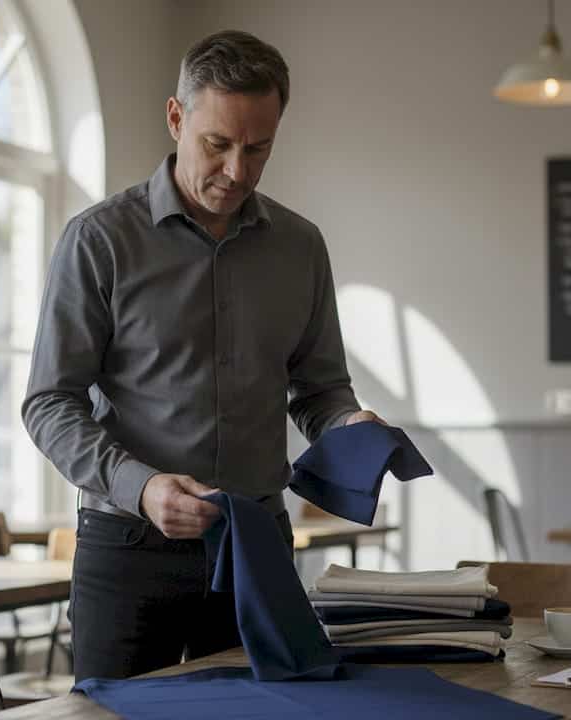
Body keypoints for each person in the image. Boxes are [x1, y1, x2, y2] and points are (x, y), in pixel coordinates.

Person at [22, 29, 382, 682]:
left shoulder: (301, 248)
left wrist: (350, 426)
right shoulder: (98, 241)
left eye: (258, 148)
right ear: (176, 117)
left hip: (258, 548)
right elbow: (49, 402)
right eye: (218, 145)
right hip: (130, 549)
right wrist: (141, 486)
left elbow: (320, 390)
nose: (237, 171)